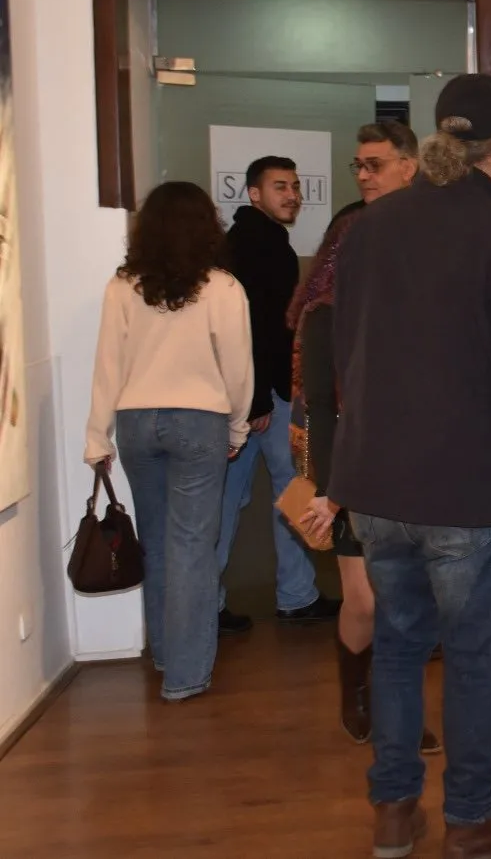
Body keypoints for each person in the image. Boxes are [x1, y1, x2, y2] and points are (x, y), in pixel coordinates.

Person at [332, 74, 491, 859]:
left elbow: (346, 358)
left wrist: (347, 470)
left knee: (399, 647)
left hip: (379, 487)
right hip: (466, 493)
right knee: (473, 661)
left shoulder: (370, 229)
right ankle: (471, 817)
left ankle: (393, 811)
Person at [84, 181, 254, 702]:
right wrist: (238, 427)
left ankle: (165, 655)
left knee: (158, 542)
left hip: (136, 423)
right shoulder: (223, 287)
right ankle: (185, 676)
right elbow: (238, 369)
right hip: (199, 422)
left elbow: (107, 365)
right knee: (193, 548)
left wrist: (96, 436)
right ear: (207, 227)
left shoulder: (122, 286)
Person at [292, 163, 440, 755]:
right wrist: (331, 492)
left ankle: (398, 709)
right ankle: (355, 693)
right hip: (350, 476)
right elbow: (321, 411)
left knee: (407, 604)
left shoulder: (416, 307)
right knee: (365, 601)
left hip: (413, 473)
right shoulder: (326, 316)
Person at [216, 155, 339, 633]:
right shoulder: (259, 246)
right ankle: (296, 596)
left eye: (294, 186)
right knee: (295, 490)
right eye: (279, 187)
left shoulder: (248, 242)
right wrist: (260, 402)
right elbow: (255, 330)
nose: (292, 195)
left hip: (248, 397)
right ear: (254, 194)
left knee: (232, 499)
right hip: (263, 398)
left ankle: (212, 603)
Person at [352, 120, 420, 203]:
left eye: (374, 165)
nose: (361, 176)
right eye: (359, 166)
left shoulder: (431, 209)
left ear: (407, 170)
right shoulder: (351, 212)